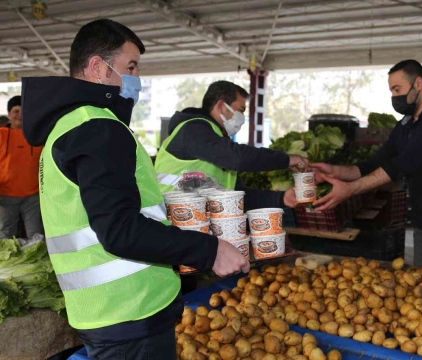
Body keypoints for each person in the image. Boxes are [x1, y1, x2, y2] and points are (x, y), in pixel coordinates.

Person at [22, 19, 249, 360]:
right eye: (130, 67)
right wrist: (210, 250)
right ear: (98, 67)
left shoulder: (69, 125)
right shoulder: (97, 126)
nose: (137, 81)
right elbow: (120, 230)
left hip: (103, 312)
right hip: (129, 313)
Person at [311, 59, 422, 273]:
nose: (394, 97)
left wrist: (349, 190)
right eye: (392, 91)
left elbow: (401, 165)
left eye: (397, 89)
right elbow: (375, 163)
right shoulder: (404, 126)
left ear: (419, 84)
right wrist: (335, 171)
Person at [155, 80, 307, 209]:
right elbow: (238, 157)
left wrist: (281, 199)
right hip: (172, 225)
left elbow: (236, 196)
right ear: (221, 106)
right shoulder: (193, 130)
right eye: (240, 111)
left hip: (198, 228)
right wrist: (286, 160)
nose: (241, 118)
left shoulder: (217, 140)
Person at [0, 96, 44, 238]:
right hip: (5, 195)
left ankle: (34, 261)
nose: (19, 114)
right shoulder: (1, 134)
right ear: (9, 114)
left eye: (23, 111)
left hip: (33, 196)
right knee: (5, 235)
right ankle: (7, 261)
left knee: (36, 235)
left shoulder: (37, 136)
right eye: (16, 111)